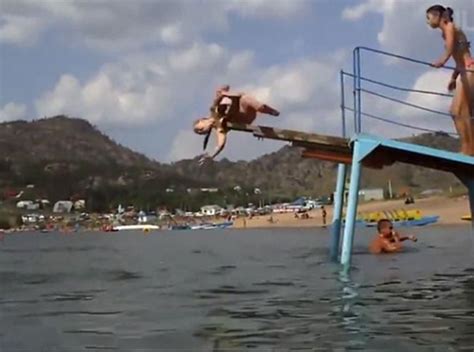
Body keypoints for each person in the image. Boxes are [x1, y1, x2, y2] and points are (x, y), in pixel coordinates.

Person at [426, 5, 474, 155]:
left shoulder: (450, 27)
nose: (428, 22)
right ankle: (469, 146)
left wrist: (442, 61)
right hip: (463, 71)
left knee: (460, 110)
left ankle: (469, 149)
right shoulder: (445, 33)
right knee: (457, 111)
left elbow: (451, 48)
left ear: (437, 15)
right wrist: (453, 78)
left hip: (469, 70)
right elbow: (459, 57)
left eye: (429, 17)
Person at [193, 85, 280, 164]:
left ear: (202, 120)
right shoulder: (220, 128)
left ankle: (268, 110)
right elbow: (220, 145)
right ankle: (259, 107)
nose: (201, 131)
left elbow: (225, 89)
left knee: (244, 99)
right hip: (244, 118)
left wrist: (223, 93)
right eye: (200, 132)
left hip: (242, 105)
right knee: (227, 104)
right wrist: (212, 156)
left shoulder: (214, 109)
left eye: (199, 129)